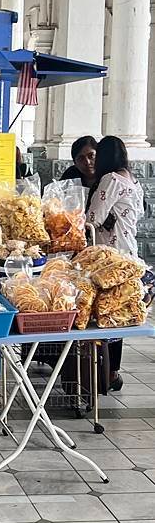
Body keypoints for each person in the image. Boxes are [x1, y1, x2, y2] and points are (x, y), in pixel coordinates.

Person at [86, 135, 145, 392]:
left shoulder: (110, 180)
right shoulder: (134, 182)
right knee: (118, 315)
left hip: (108, 260)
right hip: (129, 255)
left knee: (103, 312)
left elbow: (92, 217)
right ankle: (112, 372)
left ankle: (100, 372)